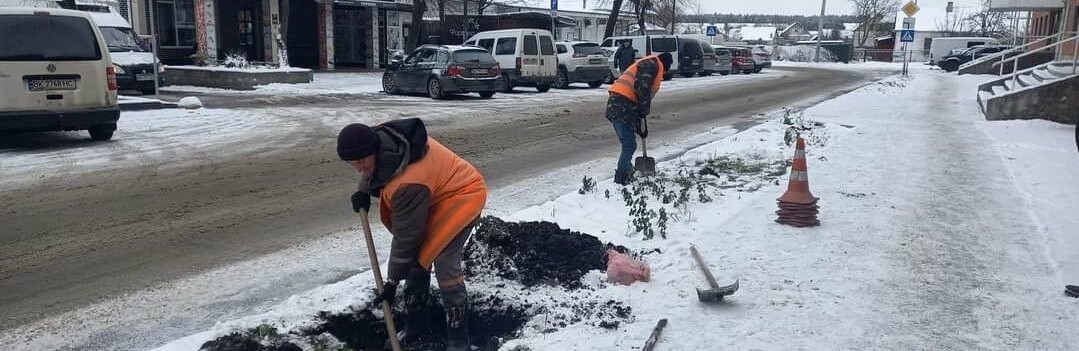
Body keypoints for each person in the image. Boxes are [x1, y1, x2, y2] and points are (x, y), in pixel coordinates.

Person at [337, 118, 487, 350]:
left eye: (361, 161)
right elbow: (372, 168)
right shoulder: (381, 141)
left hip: (463, 194)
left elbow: (406, 238)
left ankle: (459, 340)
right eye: (352, 163)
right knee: (417, 258)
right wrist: (363, 190)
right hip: (435, 193)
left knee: (445, 261)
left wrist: (392, 282)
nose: (358, 168)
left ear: (373, 149)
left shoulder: (409, 183)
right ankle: (417, 327)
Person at [605, 52, 673, 185]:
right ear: (665, 65)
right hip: (622, 105)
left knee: (628, 143)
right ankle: (621, 178)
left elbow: (639, 96)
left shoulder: (648, 63)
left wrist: (641, 125)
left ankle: (626, 171)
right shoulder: (651, 65)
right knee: (629, 145)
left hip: (618, 104)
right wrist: (643, 112)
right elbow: (642, 89)